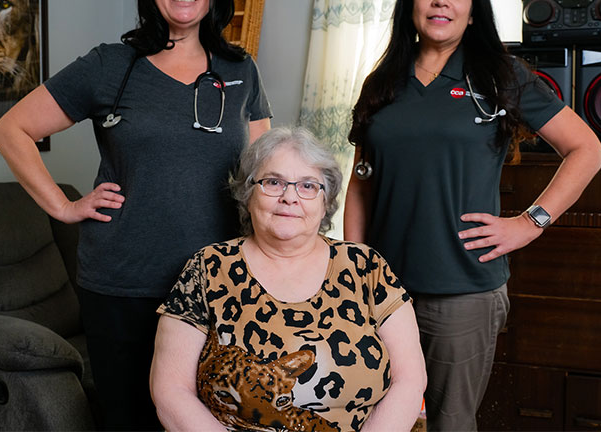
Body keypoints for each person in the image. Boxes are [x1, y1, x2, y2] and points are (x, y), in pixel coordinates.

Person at [0, 0, 272, 430]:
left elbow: (262, 172)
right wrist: (62, 204)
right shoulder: (110, 65)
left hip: (219, 285)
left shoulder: (239, 68)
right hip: (122, 281)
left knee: (212, 418)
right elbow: (10, 129)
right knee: (130, 418)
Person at [344, 0, 601, 431]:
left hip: (461, 292)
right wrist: (354, 266)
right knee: (373, 420)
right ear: (411, 2)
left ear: (471, 9)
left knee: (450, 424)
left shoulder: (500, 76)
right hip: (383, 291)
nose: (441, 0)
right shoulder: (381, 83)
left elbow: (587, 149)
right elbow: (362, 182)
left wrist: (531, 224)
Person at [150, 126, 427, 432]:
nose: (289, 197)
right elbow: (171, 391)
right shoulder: (208, 267)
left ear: (326, 201)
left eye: (308, 186)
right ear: (247, 193)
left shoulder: (366, 266)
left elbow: (410, 380)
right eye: (273, 182)